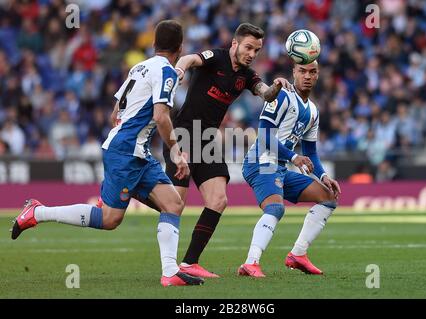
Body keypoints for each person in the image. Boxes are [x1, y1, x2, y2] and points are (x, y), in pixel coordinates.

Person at [10, 20, 204, 287]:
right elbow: (161, 117)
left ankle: (170, 272)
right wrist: (177, 153)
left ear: (153, 44)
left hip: (135, 151)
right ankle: (37, 212)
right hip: (126, 152)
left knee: (173, 203)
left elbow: (115, 114)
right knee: (110, 219)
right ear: (180, 47)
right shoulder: (167, 72)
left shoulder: (139, 67)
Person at [107, 22, 292, 278]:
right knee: (175, 204)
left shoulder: (247, 76)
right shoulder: (215, 57)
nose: (252, 54)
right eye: (248, 47)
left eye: (257, 50)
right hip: (183, 133)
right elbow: (189, 59)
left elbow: (266, 94)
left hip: (207, 140)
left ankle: (189, 262)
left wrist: (278, 85)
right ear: (235, 44)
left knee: (218, 200)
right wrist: (179, 70)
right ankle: (129, 192)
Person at [238, 60, 341, 277]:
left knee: (328, 196)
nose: (307, 76)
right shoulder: (282, 95)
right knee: (276, 208)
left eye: (312, 72)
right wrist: (295, 157)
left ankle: (298, 254)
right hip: (261, 161)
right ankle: (250, 262)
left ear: (318, 75)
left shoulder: (313, 111)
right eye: (302, 71)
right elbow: (264, 135)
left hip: (281, 167)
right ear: (294, 72)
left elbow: (311, 152)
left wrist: (323, 175)